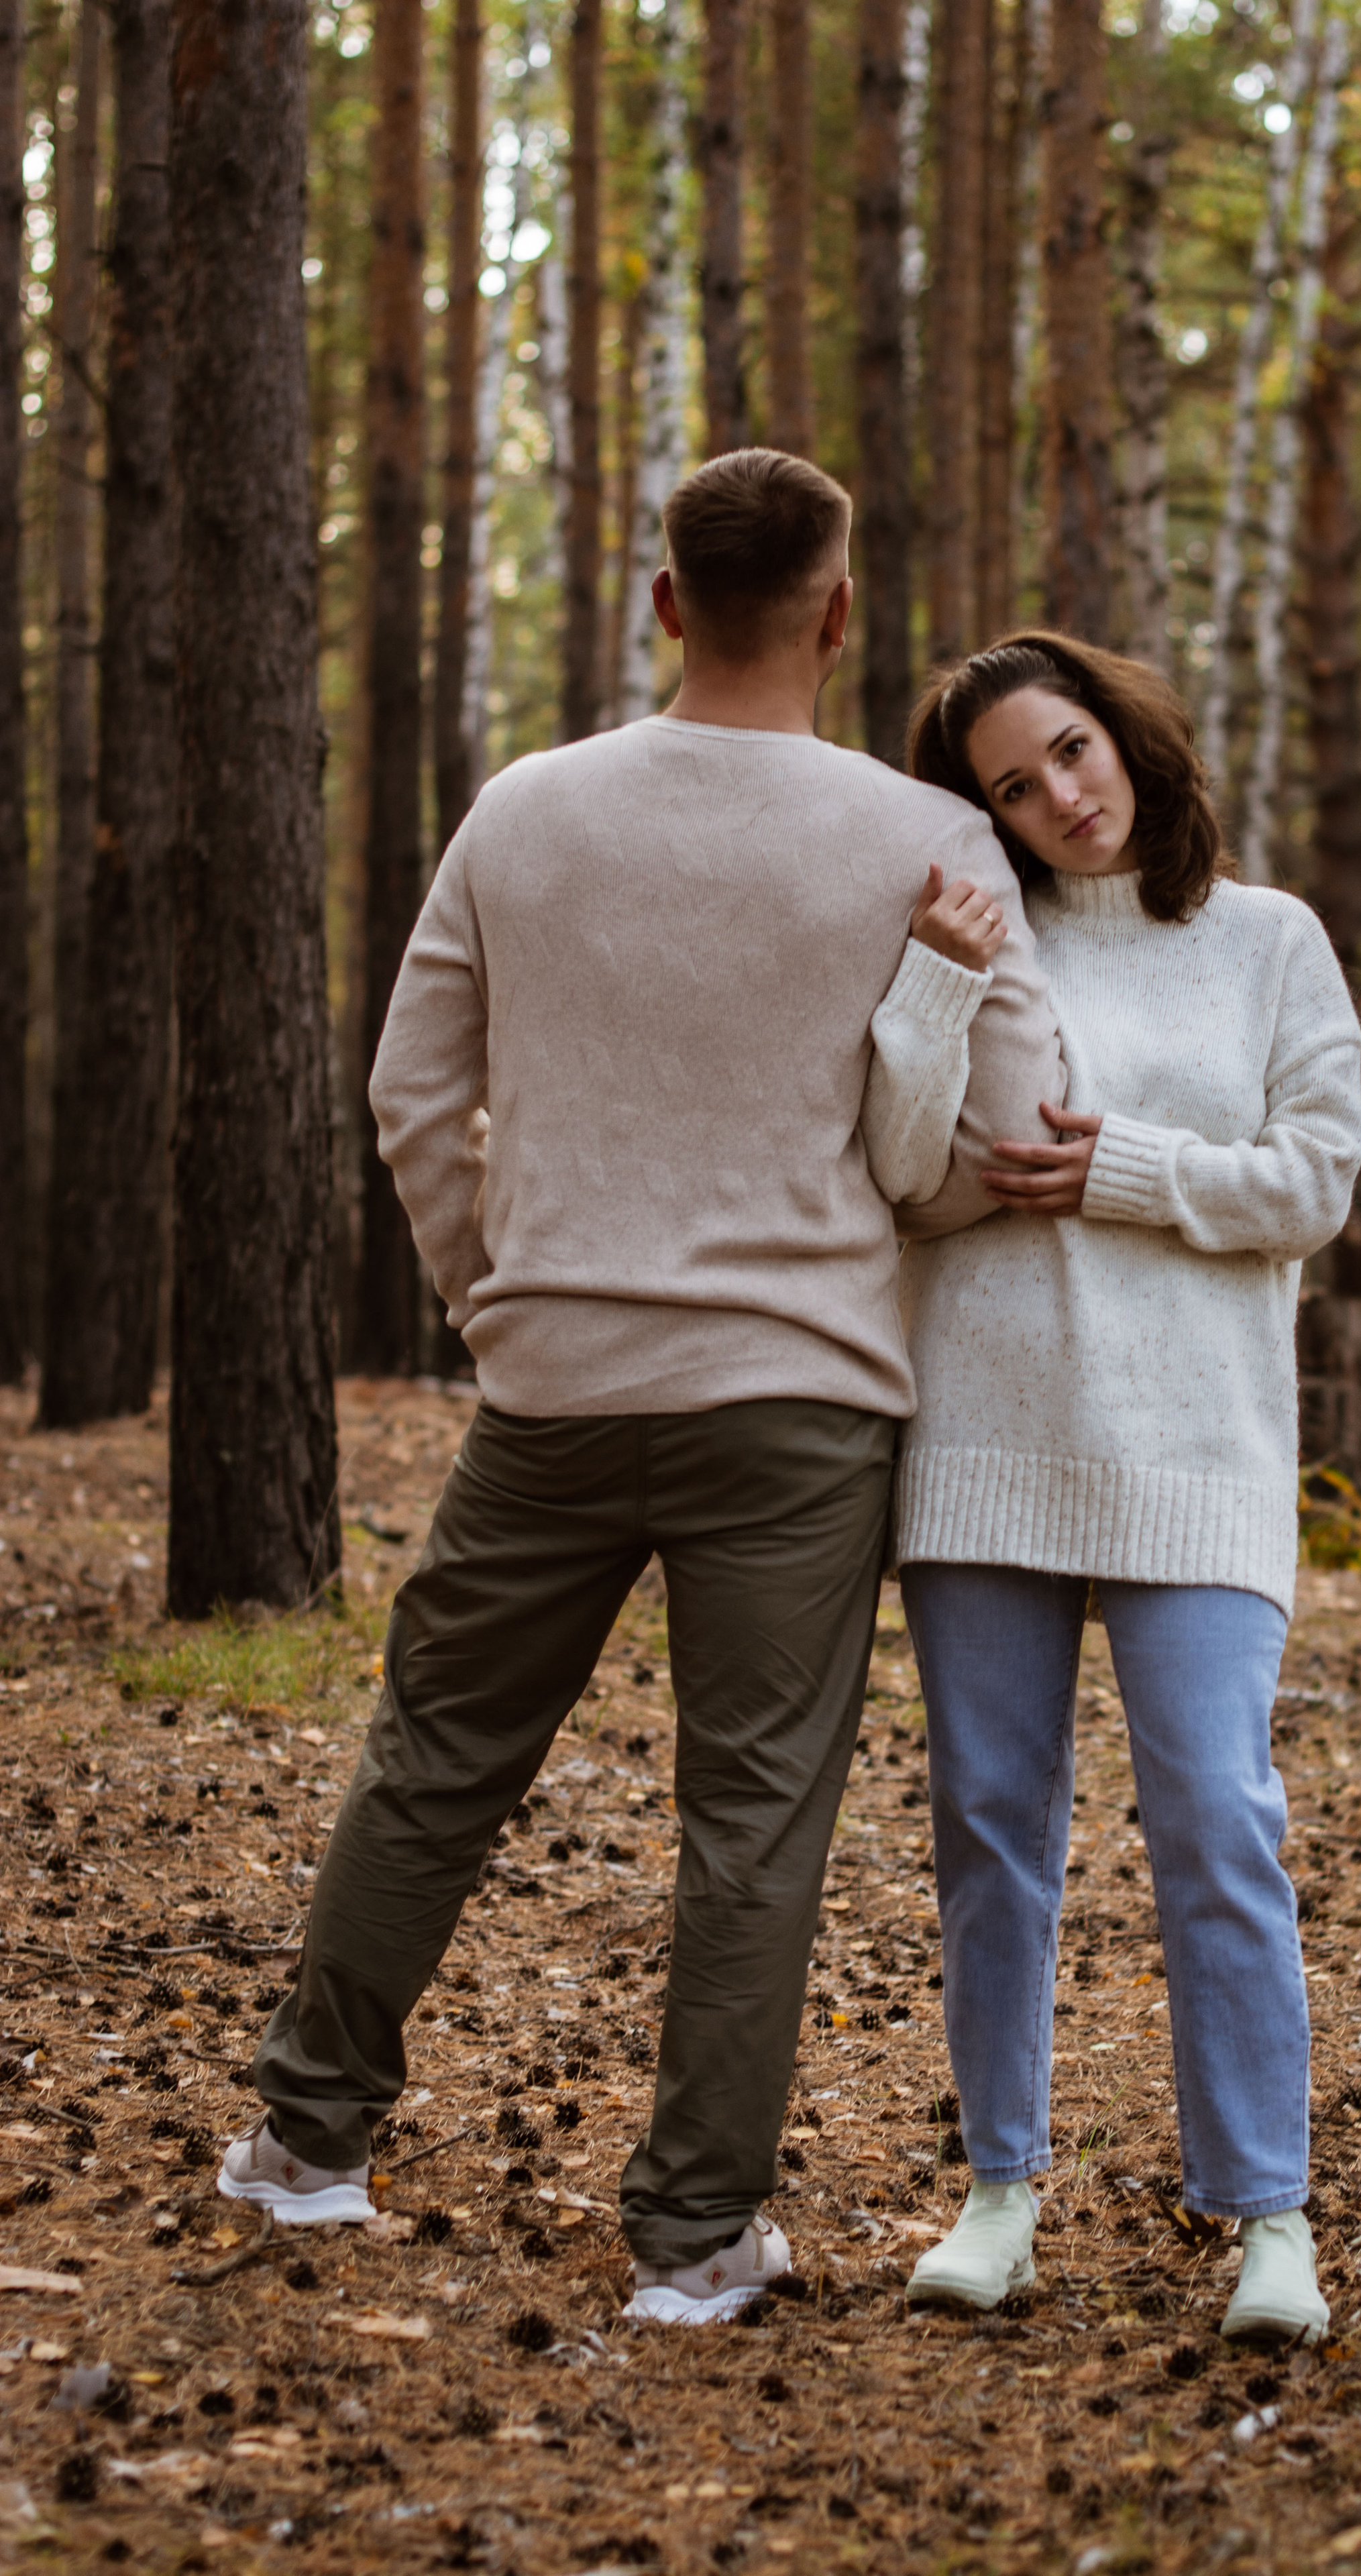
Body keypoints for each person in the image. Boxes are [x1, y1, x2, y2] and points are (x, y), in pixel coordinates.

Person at [217, 451, 1065, 2326]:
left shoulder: (526, 811)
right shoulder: (929, 841)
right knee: (751, 1820)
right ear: (838, 614)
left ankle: (308, 2145)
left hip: (556, 1386)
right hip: (803, 1404)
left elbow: (412, 1096)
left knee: (436, 1767)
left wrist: (495, 1301)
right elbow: (997, 1144)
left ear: (666, 601)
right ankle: (692, 2240)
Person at [863, 631, 1361, 2342]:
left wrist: (1121, 1172)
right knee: (990, 1832)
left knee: (1217, 1824)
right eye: (1010, 782)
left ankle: (1268, 2219)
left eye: (1069, 751)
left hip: (1197, 1458)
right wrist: (933, 980)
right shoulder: (965, 937)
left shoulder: (1267, 941)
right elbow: (895, 1164)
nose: (1058, 798)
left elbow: (1313, 1179)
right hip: (983, 1450)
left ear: (1127, 734)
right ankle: (997, 2192)